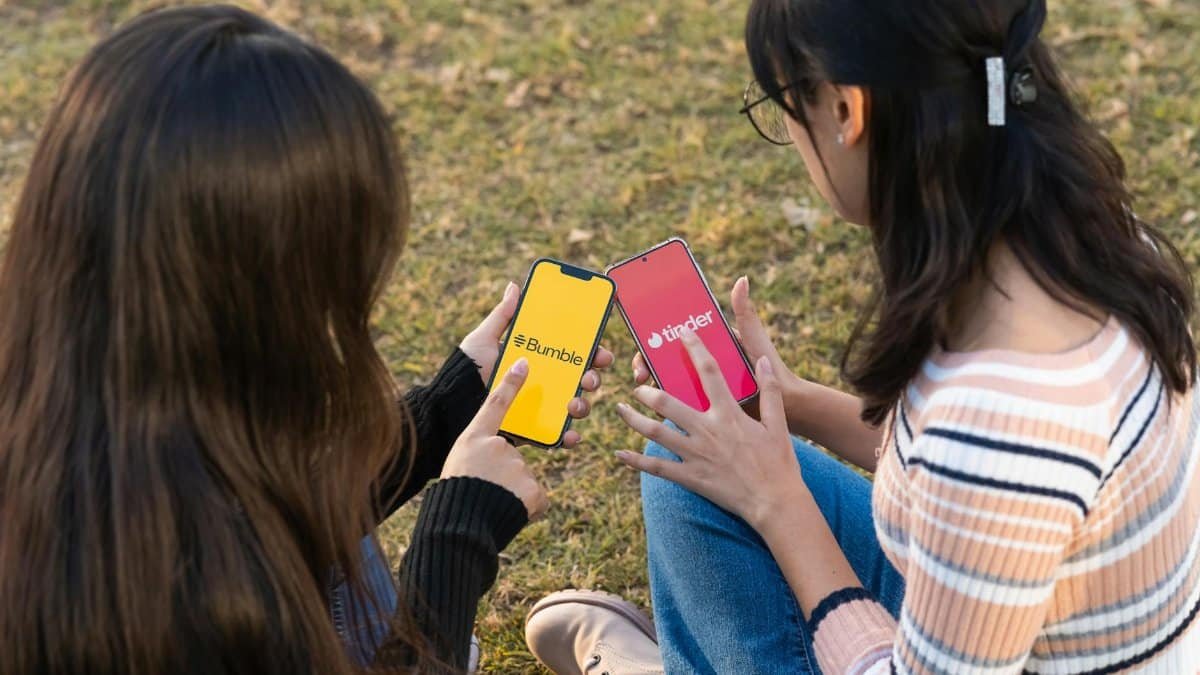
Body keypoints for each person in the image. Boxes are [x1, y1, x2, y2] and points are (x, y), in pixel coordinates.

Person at [525, 0, 1200, 672]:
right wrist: (792, 400)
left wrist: (779, 503)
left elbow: (985, 461)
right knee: (692, 458)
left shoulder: (996, 412)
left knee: (727, 472)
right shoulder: (1071, 242)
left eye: (783, 105)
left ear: (848, 110)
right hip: (1015, 622)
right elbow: (984, 494)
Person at [0, 6, 614, 674]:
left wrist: (445, 409)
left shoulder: (87, 406)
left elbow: (273, 503)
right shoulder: (179, 602)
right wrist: (454, 542)